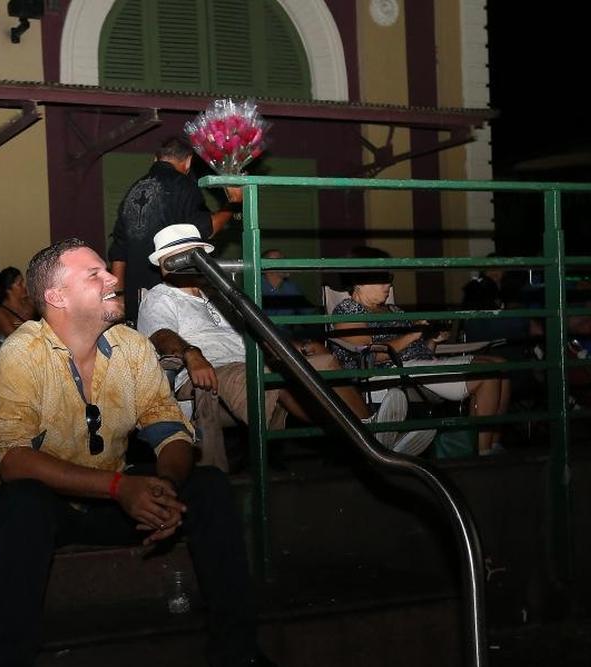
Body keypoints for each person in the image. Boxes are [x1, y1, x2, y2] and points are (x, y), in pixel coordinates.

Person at [0, 236, 323, 667]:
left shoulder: (131, 348)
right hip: (52, 501)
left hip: (113, 492)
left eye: (106, 271)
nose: (113, 279)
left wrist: (161, 488)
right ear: (56, 296)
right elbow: (14, 460)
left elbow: (171, 432)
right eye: (95, 274)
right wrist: (122, 488)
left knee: (207, 485)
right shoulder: (23, 352)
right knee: (22, 504)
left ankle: (235, 664)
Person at [137, 226, 434, 470]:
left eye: (197, 255)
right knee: (279, 375)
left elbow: (256, 329)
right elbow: (160, 335)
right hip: (215, 370)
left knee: (325, 359)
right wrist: (191, 353)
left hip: (254, 358)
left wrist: (295, 345)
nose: (196, 261)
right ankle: (364, 442)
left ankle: (369, 431)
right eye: (187, 256)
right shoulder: (160, 298)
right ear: (166, 265)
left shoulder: (218, 294)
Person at [331, 254, 511, 456]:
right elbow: (367, 358)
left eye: (389, 279)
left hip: (414, 365)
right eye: (381, 279)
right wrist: (412, 334)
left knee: (501, 365)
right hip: (389, 371)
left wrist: (432, 342)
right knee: (487, 373)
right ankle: (483, 451)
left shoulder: (393, 310)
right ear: (358, 284)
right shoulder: (348, 310)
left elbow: (417, 351)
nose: (388, 285)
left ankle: (494, 444)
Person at [108, 135, 243, 319]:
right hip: (167, 303)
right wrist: (235, 203)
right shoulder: (183, 185)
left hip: (135, 300)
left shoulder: (133, 190)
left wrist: (119, 298)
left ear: (155, 158)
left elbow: (118, 252)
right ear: (188, 162)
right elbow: (206, 229)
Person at [0, 266, 36, 340]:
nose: (24, 286)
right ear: (8, 289)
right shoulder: (1, 312)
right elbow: (13, 338)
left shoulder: (29, 303)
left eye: (23, 282)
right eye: (19, 284)